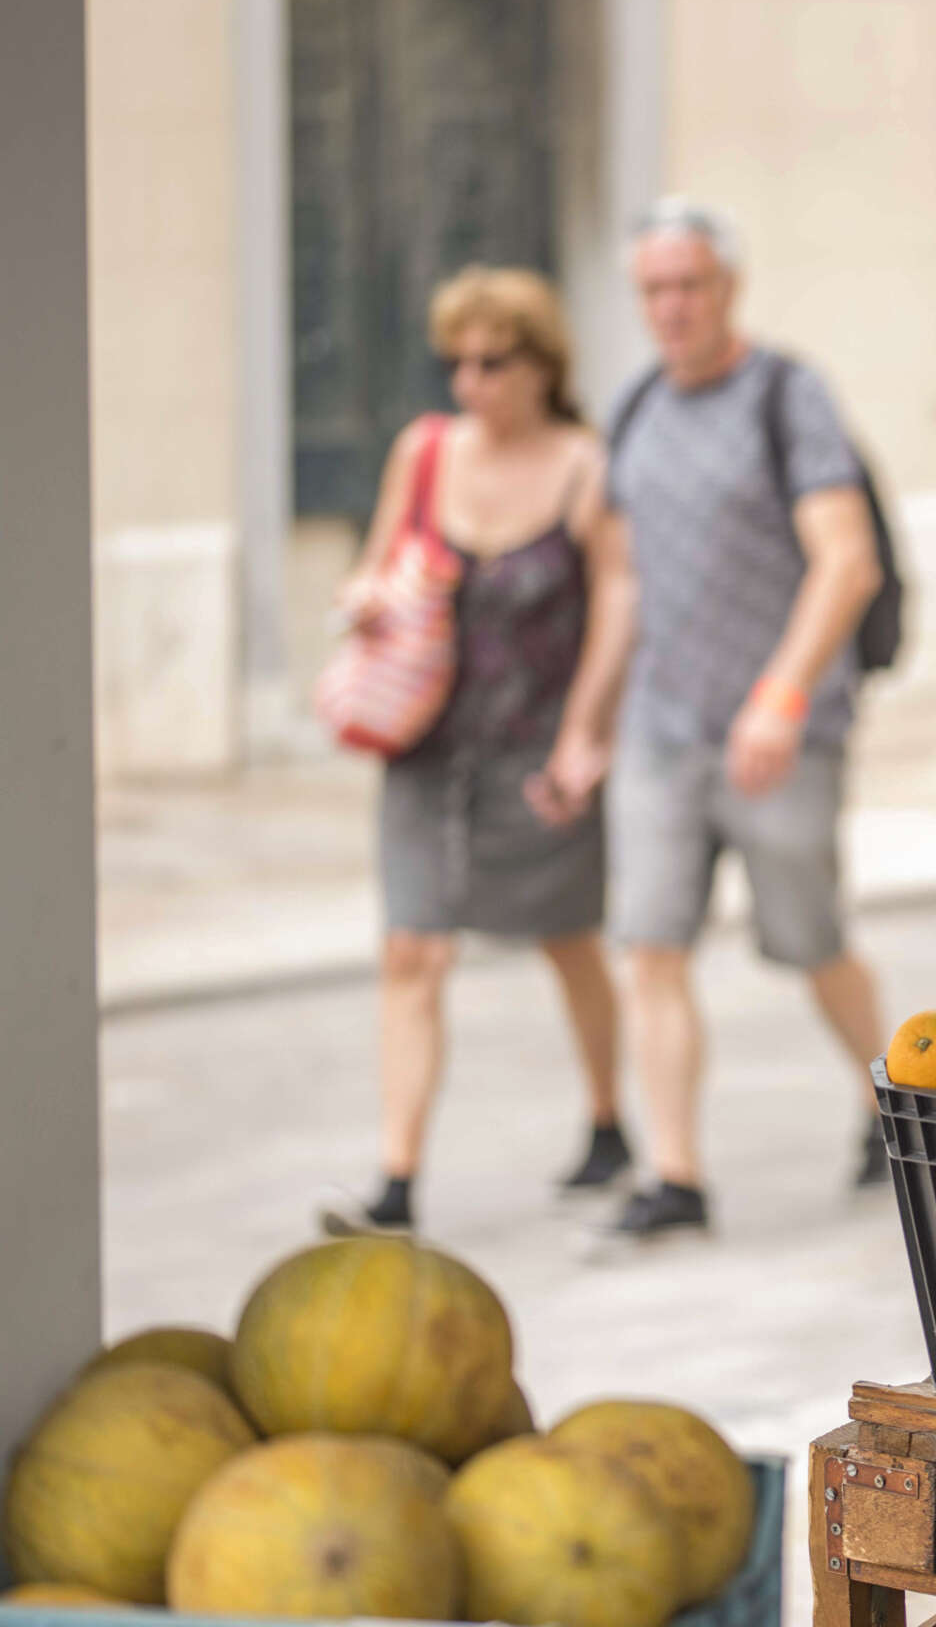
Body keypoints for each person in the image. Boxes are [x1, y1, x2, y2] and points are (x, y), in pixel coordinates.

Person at [563, 199, 888, 1238]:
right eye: (652, 289)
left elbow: (847, 561)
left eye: (687, 285)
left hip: (781, 729)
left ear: (726, 288)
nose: (670, 307)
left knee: (809, 940)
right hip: (662, 728)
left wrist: (781, 696)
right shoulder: (634, 411)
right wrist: (584, 723)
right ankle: (677, 1176)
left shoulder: (785, 397)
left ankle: (892, 1107)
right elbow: (619, 586)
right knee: (649, 946)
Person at [324, 266, 637, 1235]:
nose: (470, 383)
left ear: (541, 365)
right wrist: (364, 598)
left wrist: (588, 731)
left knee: (567, 938)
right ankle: (397, 1178)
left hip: (536, 750)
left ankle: (606, 1120)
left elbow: (619, 604)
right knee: (411, 948)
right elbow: (376, 566)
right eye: (456, 362)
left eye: (492, 362)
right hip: (426, 749)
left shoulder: (586, 467)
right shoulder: (423, 453)